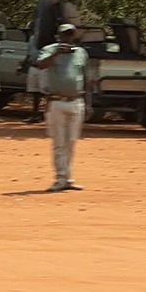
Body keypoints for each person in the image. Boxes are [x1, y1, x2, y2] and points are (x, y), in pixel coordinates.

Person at [30, 21, 94, 191]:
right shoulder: (50, 50)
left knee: (71, 142)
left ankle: (68, 178)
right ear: (59, 36)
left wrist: (88, 103)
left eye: (70, 34)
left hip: (76, 101)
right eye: (65, 34)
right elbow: (41, 65)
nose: (68, 37)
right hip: (56, 101)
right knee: (59, 142)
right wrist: (57, 53)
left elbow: (86, 79)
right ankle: (60, 178)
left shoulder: (81, 53)